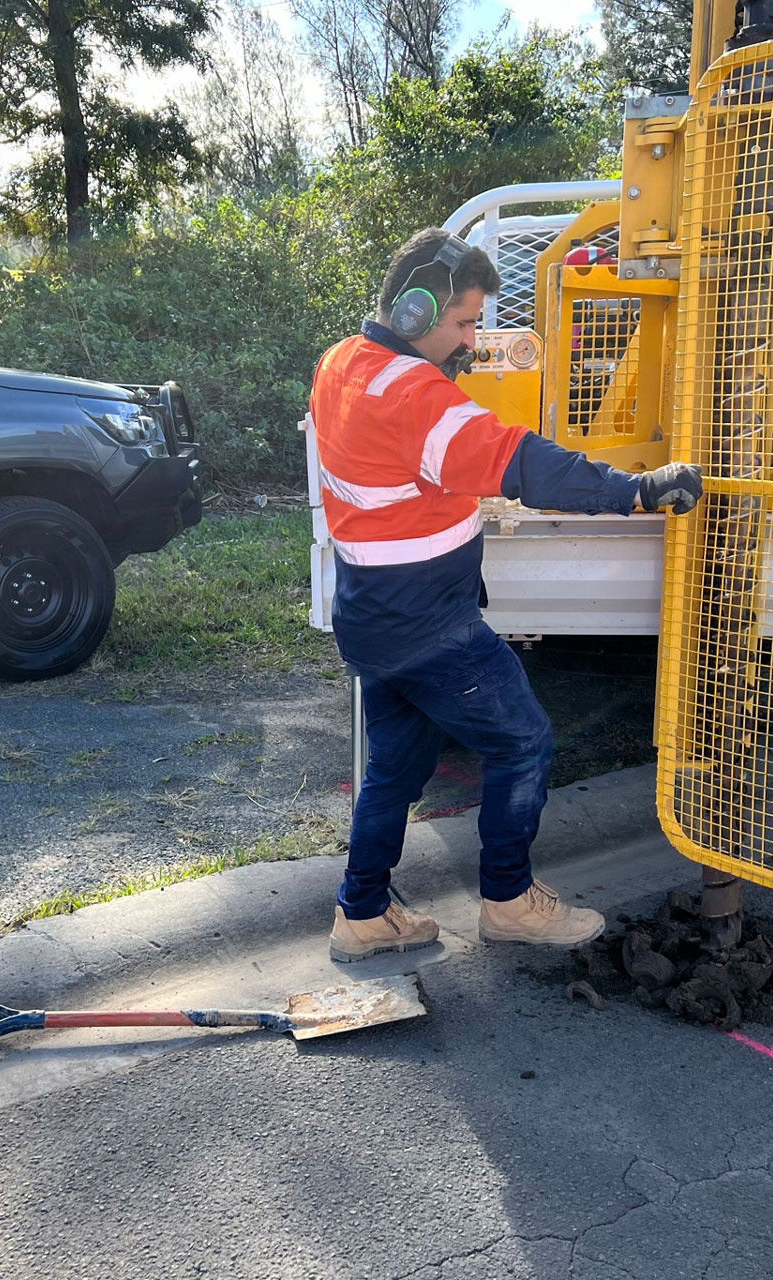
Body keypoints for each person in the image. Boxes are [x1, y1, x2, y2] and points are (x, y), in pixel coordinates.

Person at [310, 227, 703, 963]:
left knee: (394, 769)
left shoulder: (342, 363)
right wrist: (635, 489)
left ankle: (361, 914)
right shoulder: (416, 396)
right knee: (522, 740)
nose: (470, 341)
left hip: (369, 615)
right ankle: (510, 902)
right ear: (416, 310)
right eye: (463, 323)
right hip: (429, 626)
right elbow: (522, 462)